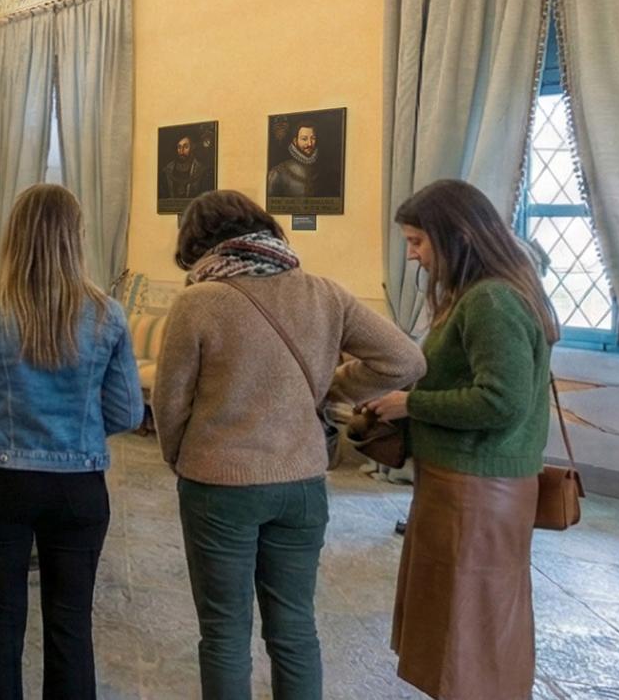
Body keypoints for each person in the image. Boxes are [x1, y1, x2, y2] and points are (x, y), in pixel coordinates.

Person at [151, 190, 424, 700]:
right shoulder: (323, 292)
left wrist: (177, 455)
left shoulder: (197, 300)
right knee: (295, 630)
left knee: (225, 633)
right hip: (300, 482)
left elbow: (170, 400)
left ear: (198, 241)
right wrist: (326, 389)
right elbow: (405, 361)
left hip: (219, 483)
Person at [0, 184, 145, 700]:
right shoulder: (107, 315)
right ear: (76, 239)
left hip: (1, 482)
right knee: (71, 626)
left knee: (1, 624)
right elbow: (127, 412)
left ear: (14, 237)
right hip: (79, 489)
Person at [362, 179, 558, 700]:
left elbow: (501, 401)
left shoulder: (492, 300)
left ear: (459, 237)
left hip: (477, 488)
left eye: (418, 242)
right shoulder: (488, 293)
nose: (414, 256)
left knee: (470, 620)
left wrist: (412, 403)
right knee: (469, 614)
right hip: (471, 481)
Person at [265, 123, 319, 199]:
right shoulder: (278, 172)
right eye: (304, 139)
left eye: (313, 138)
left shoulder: (324, 170)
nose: (309, 143)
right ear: (295, 141)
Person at [162, 135, 208, 199]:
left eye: (186, 147)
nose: (181, 151)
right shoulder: (168, 169)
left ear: (192, 148)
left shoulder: (200, 169)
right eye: (179, 147)